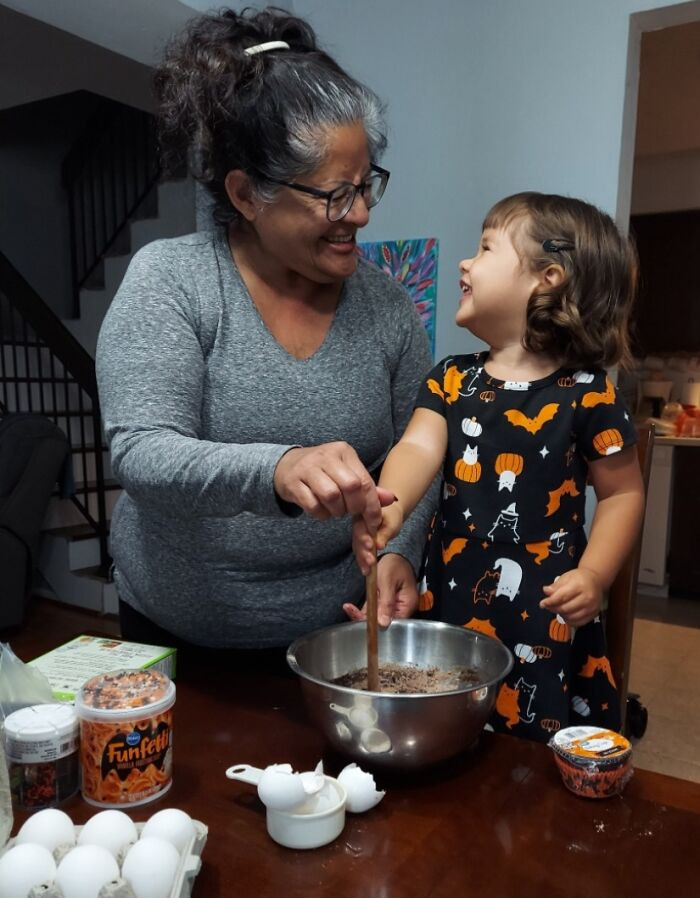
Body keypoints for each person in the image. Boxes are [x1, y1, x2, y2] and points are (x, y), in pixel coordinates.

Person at [95, 7, 436, 651]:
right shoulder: (173, 280)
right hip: (176, 640)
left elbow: (419, 451)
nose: (359, 214)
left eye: (367, 186)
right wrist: (277, 469)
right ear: (248, 195)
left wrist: (401, 554)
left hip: (333, 640)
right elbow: (142, 450)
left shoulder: (387, 305)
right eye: (334, 194)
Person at [353, 192, 645, 742]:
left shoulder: (589, 395)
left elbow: (624, 495)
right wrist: (386, 509)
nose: (466, 262)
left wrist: (595, 575)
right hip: (453, 601)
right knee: (446, 731)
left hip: (545, 612)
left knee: (530, 761)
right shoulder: (450, 378)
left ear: (547, 278)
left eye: (485, 248)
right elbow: (417, 449)